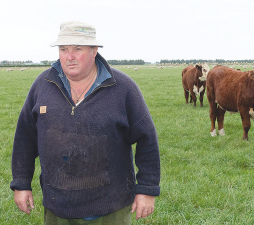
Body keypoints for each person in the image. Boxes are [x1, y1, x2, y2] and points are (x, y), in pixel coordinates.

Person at [10, 21, 160, 224]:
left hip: (110, 209)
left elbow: (147, 139)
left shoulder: (123, 88)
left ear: (94, 50)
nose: (69, 56)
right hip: (57, 208)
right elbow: (25, 138)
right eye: (63, 49)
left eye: (77, 49)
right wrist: (21, 184)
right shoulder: (42, 86)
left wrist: (147, 189)